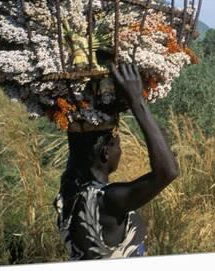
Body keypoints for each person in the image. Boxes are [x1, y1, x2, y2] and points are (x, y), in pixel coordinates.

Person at [53, 63, 179, 260]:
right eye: (117, 145)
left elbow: (77, 148)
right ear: (105, 153)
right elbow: (167, 172)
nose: (121, 150)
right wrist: (137, 101)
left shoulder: (69, 190)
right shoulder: (108, 200)